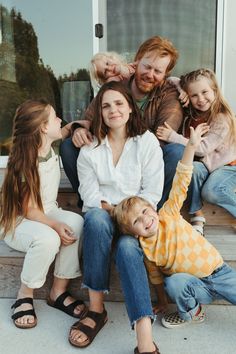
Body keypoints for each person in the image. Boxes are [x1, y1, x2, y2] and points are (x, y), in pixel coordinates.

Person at [68, 81, 164, 354]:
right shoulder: (90, 149)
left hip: (136, 220)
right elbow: (89, 195)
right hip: (104, 216)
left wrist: (130, 217)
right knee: (96, 220)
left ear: (130, 108)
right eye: (106, 105)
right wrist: (113, 212)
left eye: (119, 103)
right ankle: (96, 310)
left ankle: (144, 340)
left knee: (125, 248)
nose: (113, 110)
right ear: (99, 111)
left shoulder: (146, 143)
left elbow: (152, 192)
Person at [112, 124, 236, 330]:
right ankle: (192, 312)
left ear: (152, 207)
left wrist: (191, 146)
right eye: (136, 222)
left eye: (144, 212)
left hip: (219, 273)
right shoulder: (146, 249)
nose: (145, 220)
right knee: (173, 283)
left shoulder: (167, 214)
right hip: (194, 287)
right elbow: (156, 279)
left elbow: (182, 178)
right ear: (132, 233)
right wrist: (162, 301)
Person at [60, 36, 184, 208]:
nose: (150, 75)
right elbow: (92, 117)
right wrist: (80, 130)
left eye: (158, 71)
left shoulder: (170, 95)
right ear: (137, 62)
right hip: (109, 154)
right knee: (68, 146)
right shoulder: (117, 83)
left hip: (145, 162)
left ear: (165, 74)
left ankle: (149, 213)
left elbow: (161, 139)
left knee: (177, 152)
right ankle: (94, 205)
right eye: (147, 67)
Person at [0, 99, 87, 329]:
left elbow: (70, 127)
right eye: (55, 117)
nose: (61, 120)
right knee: (49, 238)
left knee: (77, 222)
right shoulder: (24, 161)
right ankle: (24, 294)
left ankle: (58, 291)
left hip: (47, 210)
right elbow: (29, 209)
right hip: (19, 221)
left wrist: (85, 124)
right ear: (43, 128)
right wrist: (54, 225)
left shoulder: (48, 146)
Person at [156, 68, 236, 234]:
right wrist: (181, 89)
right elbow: (170, 79)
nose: (200, 99)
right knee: (191, 170)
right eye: (194, 95)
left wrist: (173, 136)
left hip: (228, 166)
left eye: (205, 92)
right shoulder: (193, 112)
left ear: (214, 90)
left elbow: (202, 149)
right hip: (208, 165)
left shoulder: (222, 118)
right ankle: (196, 215)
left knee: (212, 191)